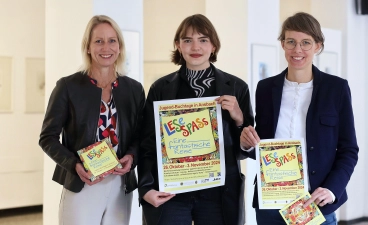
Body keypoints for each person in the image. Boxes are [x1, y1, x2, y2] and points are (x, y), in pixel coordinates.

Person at [240, 12, 359, 225]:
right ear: (282, 44)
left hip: (315, 204)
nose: (297, 50)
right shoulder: (266, 89)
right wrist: (247, 145)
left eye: (306, 43)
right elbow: (262, 145)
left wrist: (333, 189)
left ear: (318, 46)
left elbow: (349, 149)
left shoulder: (336, 89)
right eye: (291, 42)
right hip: (271, 203)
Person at [138, 14, 253, 225]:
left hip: (218, 194)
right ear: (178, 46)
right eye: (187, 40)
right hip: (171, 193)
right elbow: (146, 144)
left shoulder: (237, 88)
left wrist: (238, 119)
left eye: (203, 40)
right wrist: (145, 188)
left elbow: (246, 150)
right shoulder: (160, 89)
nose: (195, 47)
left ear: (214, 46)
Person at [39, 15, 145, 225]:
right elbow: (47, 137)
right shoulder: (68, 87)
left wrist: (132, 157)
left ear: (120, 46)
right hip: (82, 183)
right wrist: (74, 165)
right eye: (99, 41)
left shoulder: (133, 89)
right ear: (88, 47)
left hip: (120, 187)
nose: (106, 47)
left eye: (112, 40)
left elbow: (142, 135)